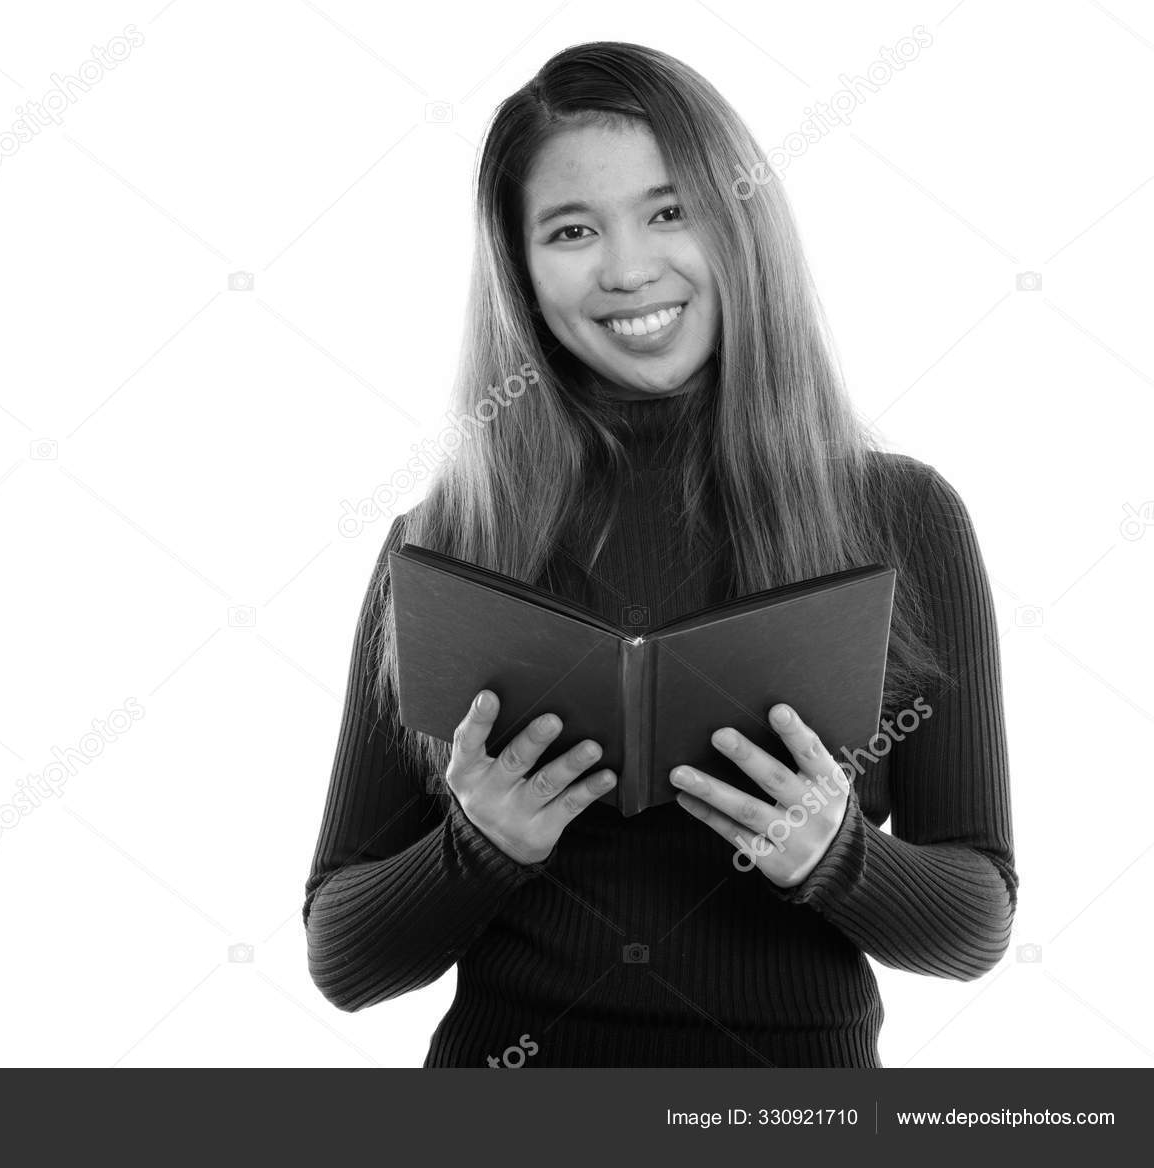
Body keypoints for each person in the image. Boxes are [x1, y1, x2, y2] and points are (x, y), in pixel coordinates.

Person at [301, 41, 1017, 1067]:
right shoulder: (445, 540)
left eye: (669, 210)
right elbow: (342, 953)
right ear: (520, 267)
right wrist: (478, 847)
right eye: (572, 229)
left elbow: (977, 919)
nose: (628, 268)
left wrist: (835, 853)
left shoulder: (900, 514)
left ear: (740, 223)